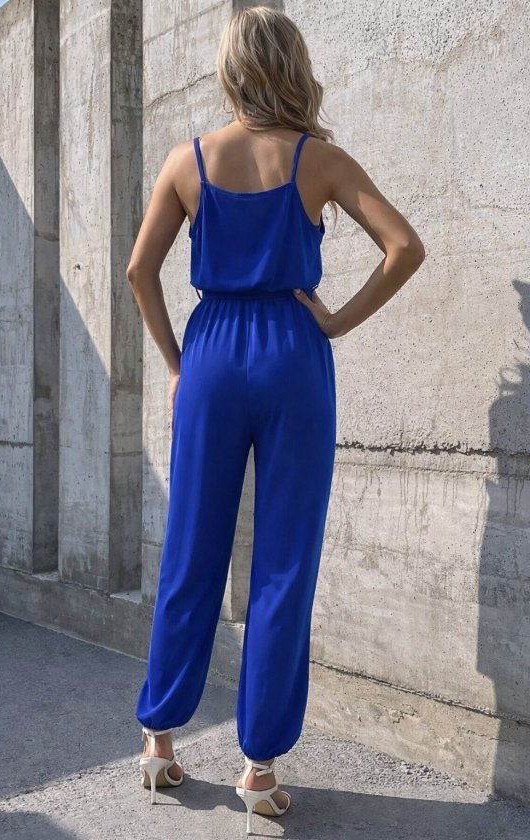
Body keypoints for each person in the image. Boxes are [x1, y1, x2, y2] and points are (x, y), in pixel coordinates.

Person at [126, 5, 425, 833]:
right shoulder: (319, 160)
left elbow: (140, 271)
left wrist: (179, 366)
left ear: (231, 70)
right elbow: (405, 246)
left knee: (192, 546)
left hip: (213, 353)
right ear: (294, 66)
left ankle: (159, 740)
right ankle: (258, 768)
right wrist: (333, 321)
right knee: (284, 560)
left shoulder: (188, 160)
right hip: (293, 355)